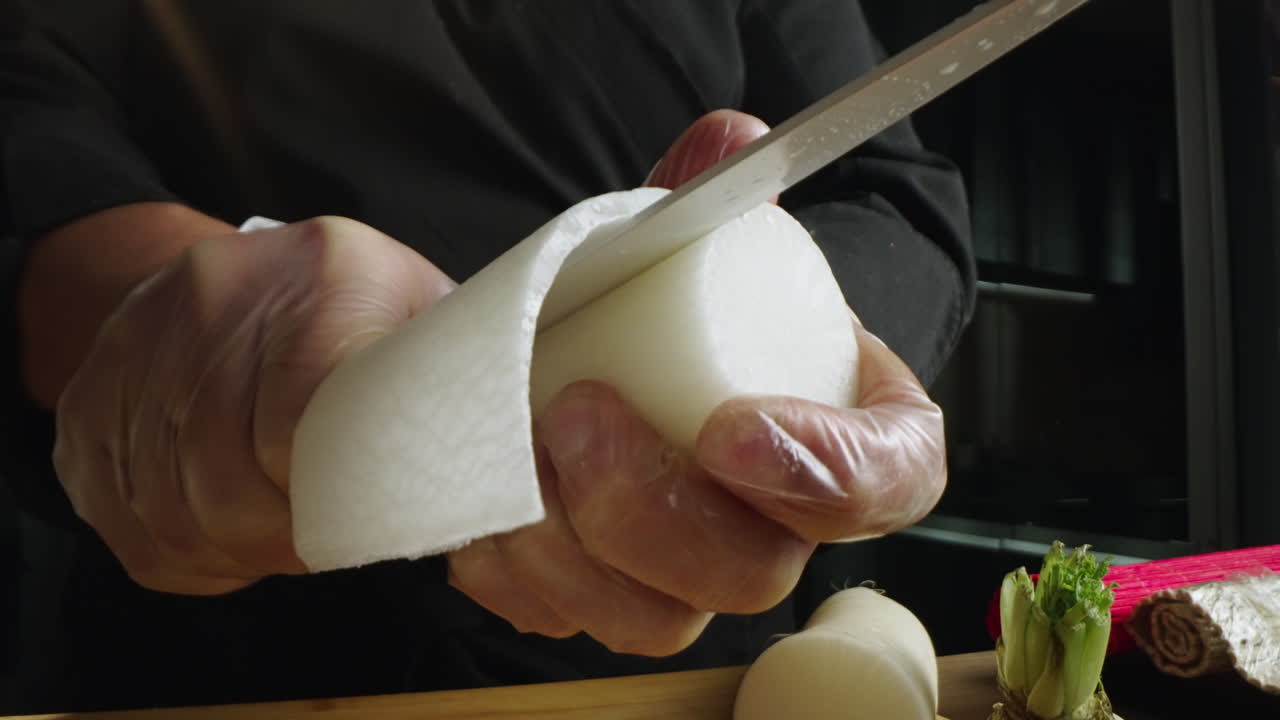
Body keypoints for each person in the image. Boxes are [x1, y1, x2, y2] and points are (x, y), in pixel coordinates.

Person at [1, 0, 976, 712]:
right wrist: (163, 323)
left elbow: (892, 192)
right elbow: (34, 108)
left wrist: (796, 354)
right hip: (236, 653)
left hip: (694, 675)